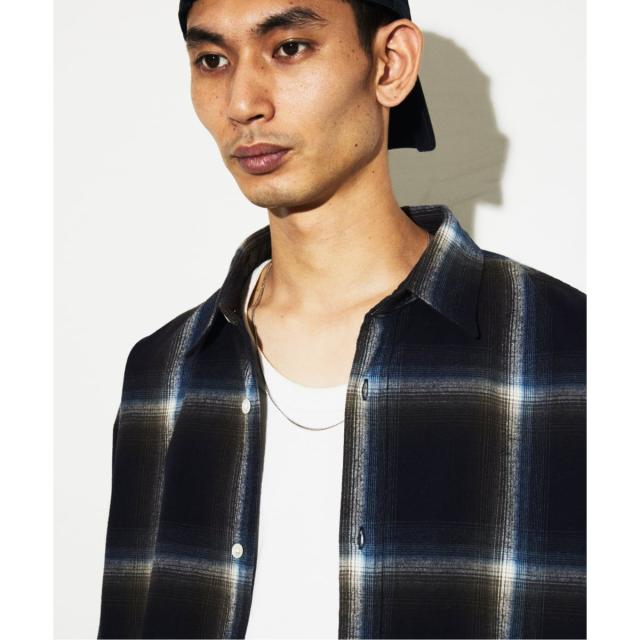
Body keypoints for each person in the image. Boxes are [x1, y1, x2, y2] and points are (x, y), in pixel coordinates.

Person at [97, 1, 586, 638]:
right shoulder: (163, 372)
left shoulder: (576, 352)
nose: (242, 103)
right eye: (212, 60)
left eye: (289, 48)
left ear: (390, 64)